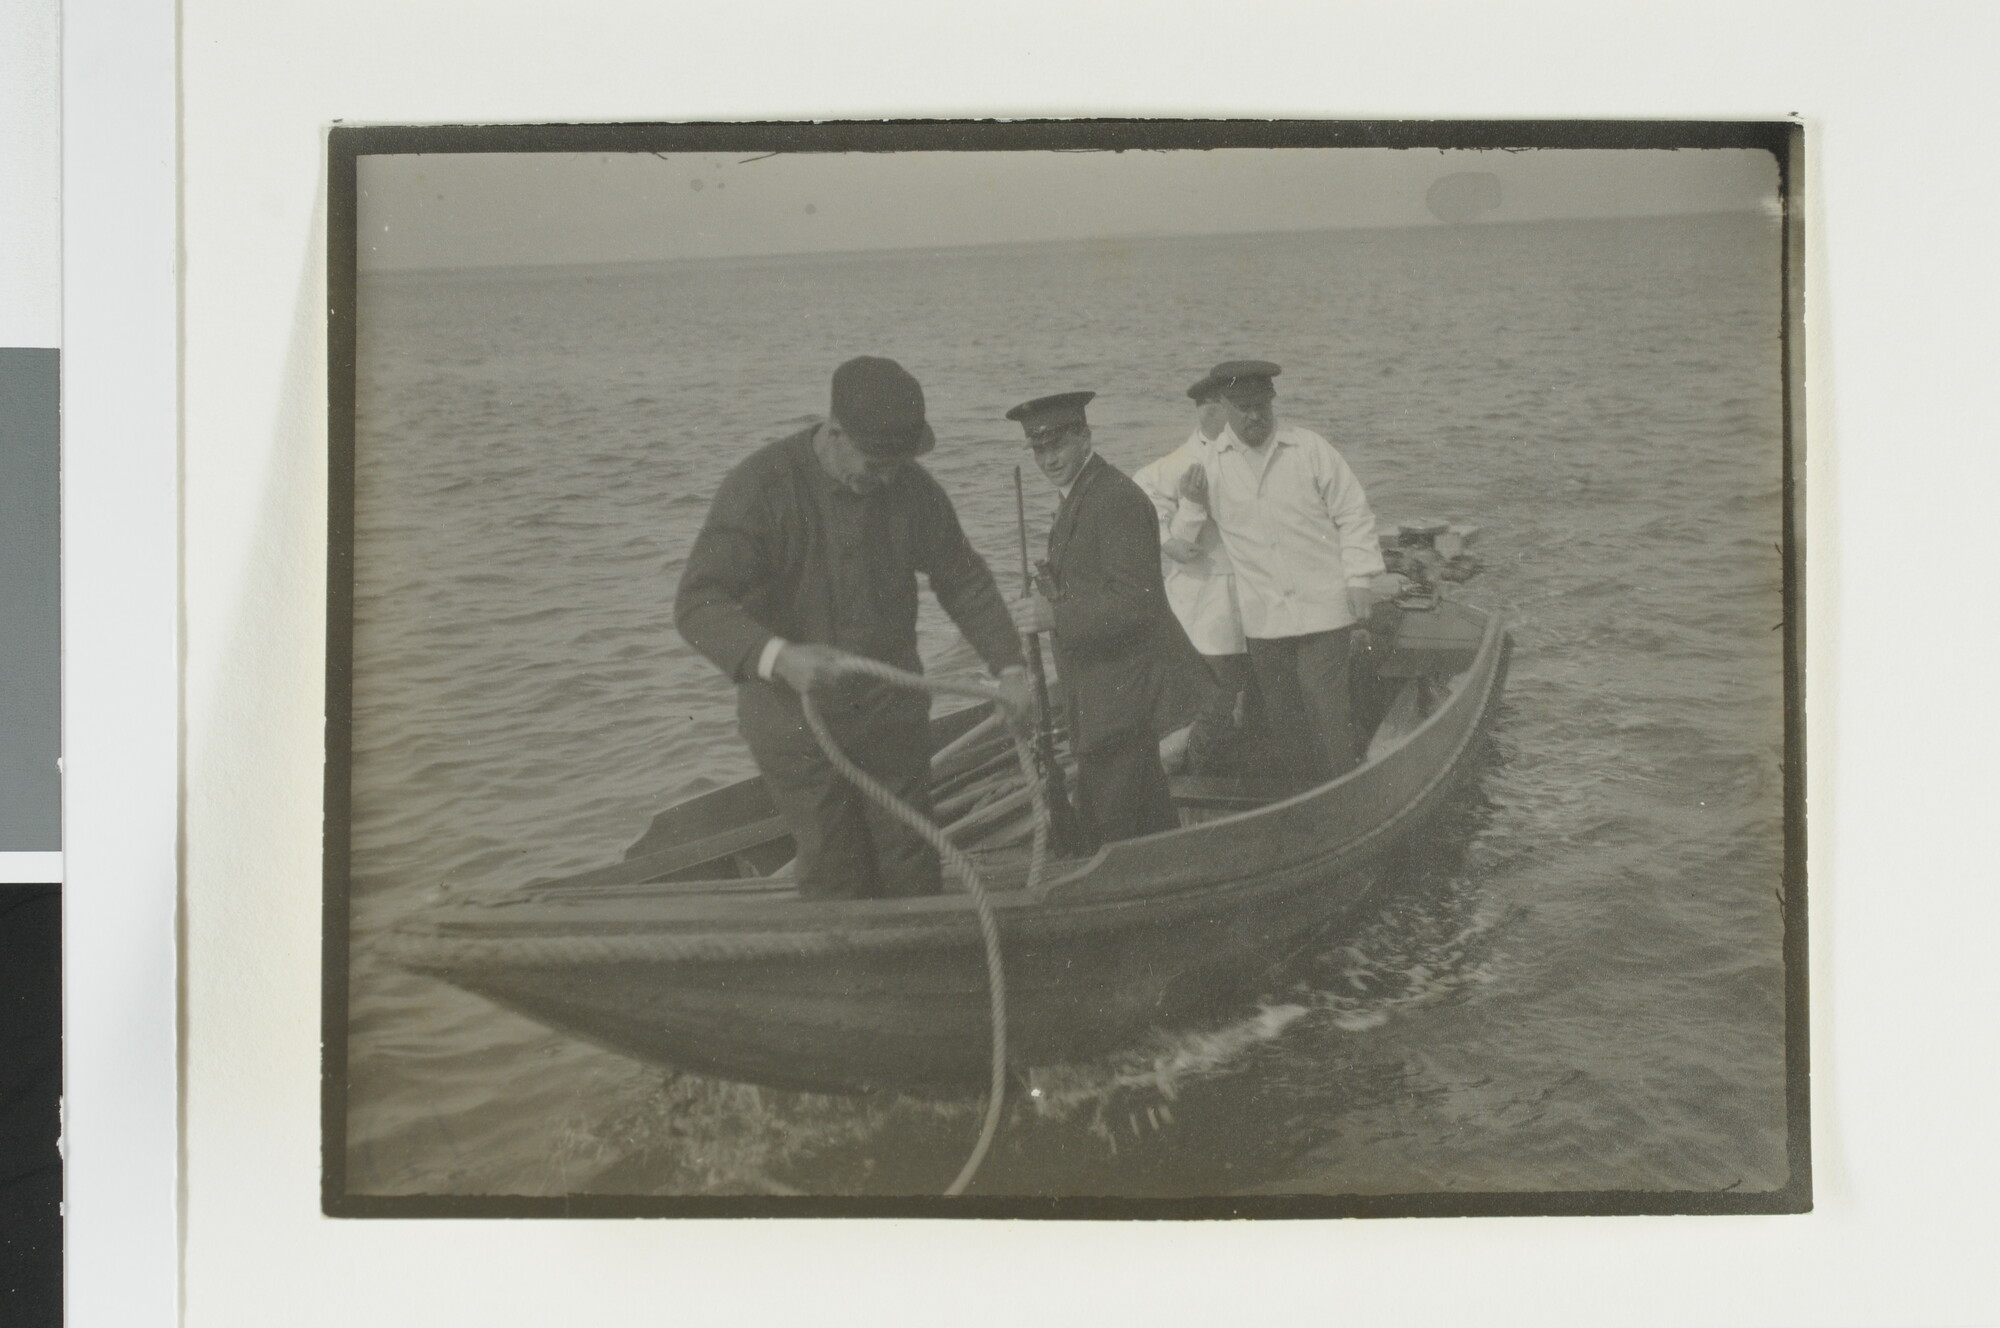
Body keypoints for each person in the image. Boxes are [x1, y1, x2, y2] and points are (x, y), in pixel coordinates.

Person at [675, 357, 1032, 900]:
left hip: (890, 715)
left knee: (912, 857)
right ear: (835, 431)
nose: (887, 478)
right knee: (834, 865)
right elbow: (698, 604)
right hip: (794, 726)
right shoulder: (760, 488)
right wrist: (778, 657)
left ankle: (920, 972)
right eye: (875, 464)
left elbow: (963, 579)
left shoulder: (910, 487)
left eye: (898, 464)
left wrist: (1008, 665)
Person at [1006, 390, 1212, 847]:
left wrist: (1054, 615)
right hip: (1103, 693)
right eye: (1039, 449)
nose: (1048, 458)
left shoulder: (1116, 500)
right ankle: (1167, 873)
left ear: (1085, 437)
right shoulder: (1081, 495)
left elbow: (1137, 604)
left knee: (1112, 823)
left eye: (1057, 444)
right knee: (1141, 813)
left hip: (1125, 695)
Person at [1176, 360, 1385, 786]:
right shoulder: (1208, 466)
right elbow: (1184, 546)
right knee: (1285, 724)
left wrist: (1360, 578)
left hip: (1324, 611)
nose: (1256, 416)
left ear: (1272, 403)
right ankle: (1302, 807)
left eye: (1262, 406)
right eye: (1244, 408)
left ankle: (1343, 801)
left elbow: (1353, 512)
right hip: (1265, 621)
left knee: (1327, 712)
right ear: (1225, 409)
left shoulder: (1309, 449)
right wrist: (1192, 505)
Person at [1130, 379, 1256, 772]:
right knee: (1213, 697)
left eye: (1219, 403)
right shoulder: (1178, 465)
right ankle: (1201, 775)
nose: (1213, 412)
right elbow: (1147, 508)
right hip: (1206, 601)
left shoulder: (1256, 455)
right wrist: (1177, 527)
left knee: (1245, 695)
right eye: (1207, 405)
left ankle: (1225, 759)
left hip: (1254, 594)